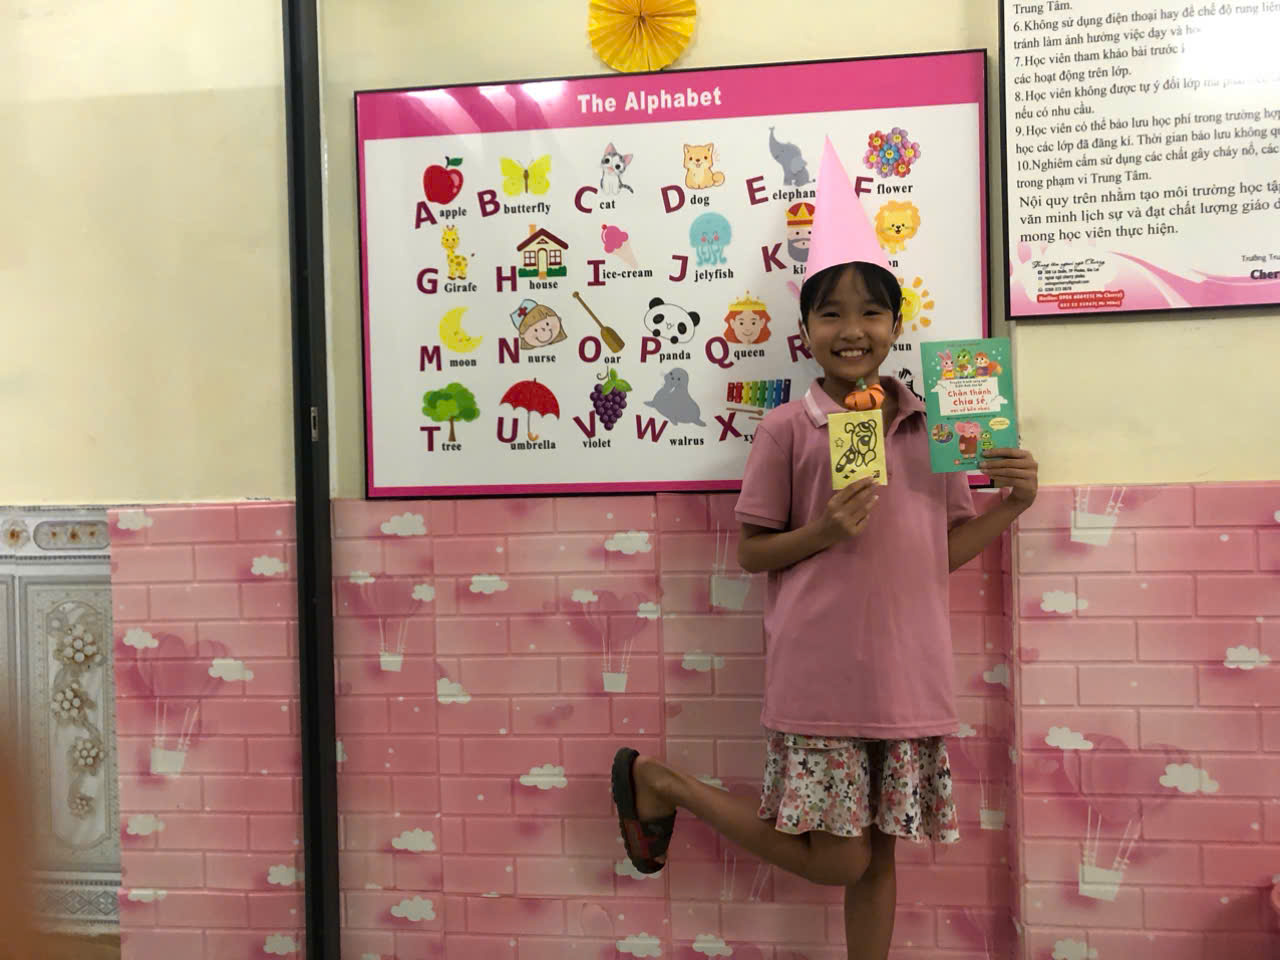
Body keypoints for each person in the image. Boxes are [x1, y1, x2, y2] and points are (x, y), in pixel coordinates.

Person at [610, 139, 1038, 960]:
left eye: (870, 312)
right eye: (831, 314)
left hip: (908, 679)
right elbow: (753, 554)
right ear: (805, 329)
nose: (852, 330)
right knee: (840, 860)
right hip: (821, 677)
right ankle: (664, 784)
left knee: (880, 858)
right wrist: (825, 532)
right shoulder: (787, 428)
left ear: (896, 325)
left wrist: (1014, 503)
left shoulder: (932, 425)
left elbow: (939, 551)